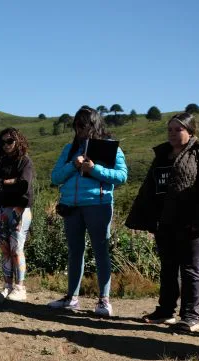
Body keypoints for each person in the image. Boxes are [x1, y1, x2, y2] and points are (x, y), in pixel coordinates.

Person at [126, 113, 199, 332]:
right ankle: (165, 312)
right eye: (170, 130)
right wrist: (147, 218)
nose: (173, 134)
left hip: (190, 222)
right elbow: (150, 189)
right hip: (164, 221)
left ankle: (191, 317)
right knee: (168, 268)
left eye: (178, 130)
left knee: (191, 268)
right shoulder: (162, 154)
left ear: (191, 131)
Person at [49, 106, 128, 316]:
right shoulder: (69, 149)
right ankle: (71, 298)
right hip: (71, 207)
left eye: (83, 125)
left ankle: (104, 300)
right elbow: (55, 177)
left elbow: (121, 176)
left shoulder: (111, 148)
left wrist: (94, 169)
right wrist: (72, 166)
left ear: (94, 125)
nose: (79, 129)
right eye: (76, 125)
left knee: (101, 251)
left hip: (98, 205)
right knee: (75, 252)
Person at [0, 128, 35, 301]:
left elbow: (23, 185)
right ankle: (7, 285)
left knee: (16, 249)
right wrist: (10, 182)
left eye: (10, 141)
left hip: (18, 210)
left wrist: (1, 183)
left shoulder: (25, 162)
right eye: (3, 142)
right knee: (5, 249)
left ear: (18, 141)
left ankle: (20, 287)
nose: (6, 145)